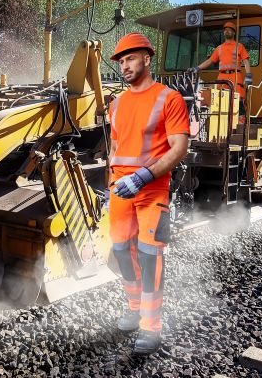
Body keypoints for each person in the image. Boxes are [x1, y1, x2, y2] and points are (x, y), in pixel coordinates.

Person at [107, 32, 189, 355]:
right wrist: (110, 183)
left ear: (147, 59)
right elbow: (115, 148)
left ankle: (151, 327)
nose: (125, 66)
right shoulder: (117, 103)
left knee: (149, 254)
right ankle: (133, 307)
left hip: (151, 188)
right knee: (119, 249)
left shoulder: (169, 99)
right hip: (120, 189)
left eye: (130, 59)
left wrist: (143, 176)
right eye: (121, 61)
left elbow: (179, 147)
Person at [190, 21, 252, 123]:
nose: (227, 31)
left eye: (229, 30)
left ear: (234, 33)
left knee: (239, 101)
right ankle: (221, 125)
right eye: (225, 30)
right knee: (219, 101)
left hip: (235, 76)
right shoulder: (219, 48)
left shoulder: (239, 46)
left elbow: (246, 60)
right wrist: (197, 68)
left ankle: (241, 126)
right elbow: (210, 61)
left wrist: (248, 75)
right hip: (222, 78)